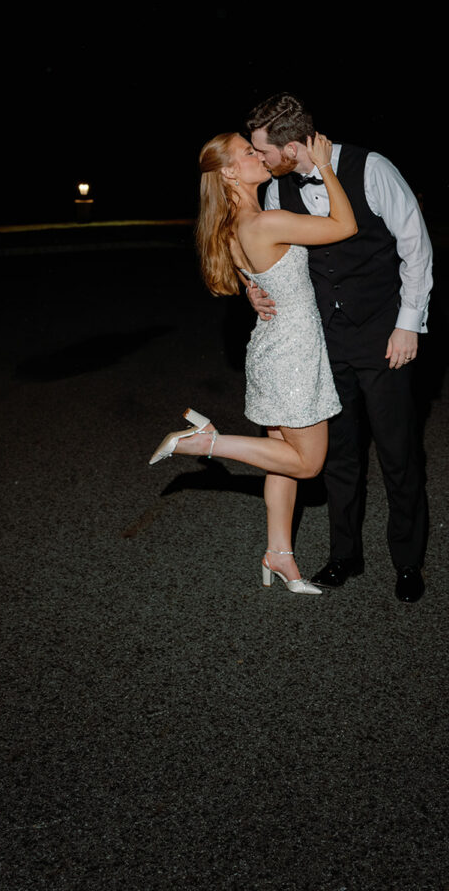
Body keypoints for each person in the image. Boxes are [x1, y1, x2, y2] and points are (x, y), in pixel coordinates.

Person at [149, 131, 357, 595]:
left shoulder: (230, 227)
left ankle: (279, 555)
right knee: (308, 464)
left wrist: (252, 292)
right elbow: (345, 225)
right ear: (229, 172)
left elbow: (260, 280)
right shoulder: (266, 222)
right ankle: (205, 442)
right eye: (249, 152)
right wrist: (325, 165)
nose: (259, 155)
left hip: (270, 349)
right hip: (293, 356)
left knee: (281, 463)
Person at [246, 94, 432, 603]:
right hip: (321, 341)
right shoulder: (276, 189)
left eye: (263, 151)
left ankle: (408, 561)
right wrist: (253, 290)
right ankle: (344, 555)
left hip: (383, 335)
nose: (259, 159)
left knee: (397, 451)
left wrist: (408, 325)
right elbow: (270, 257)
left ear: (290, 147)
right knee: (339, 455)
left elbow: (416, 247)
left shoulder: (372, 168)